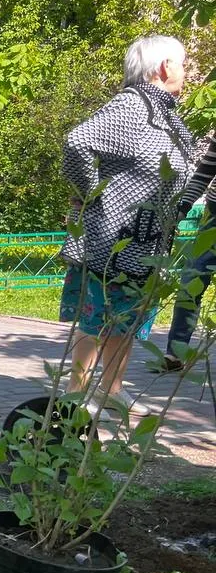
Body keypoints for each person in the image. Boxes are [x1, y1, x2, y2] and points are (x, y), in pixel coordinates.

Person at [59, 35, 195, 414]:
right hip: (110, 238)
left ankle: (111, 390)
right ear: (165, 66)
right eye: (182, 64)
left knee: (126, 322)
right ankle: (75, 395)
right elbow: (77, 142)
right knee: (96, 318)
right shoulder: (133, 105)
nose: (185, 72)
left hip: (142, 244)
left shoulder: (164, 111)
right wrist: (94, 195)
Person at [158, 140, 216, 371]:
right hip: (214, 221)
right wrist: (182, 207)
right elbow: (204, 173)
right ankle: (175, 353)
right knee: (191, 279)